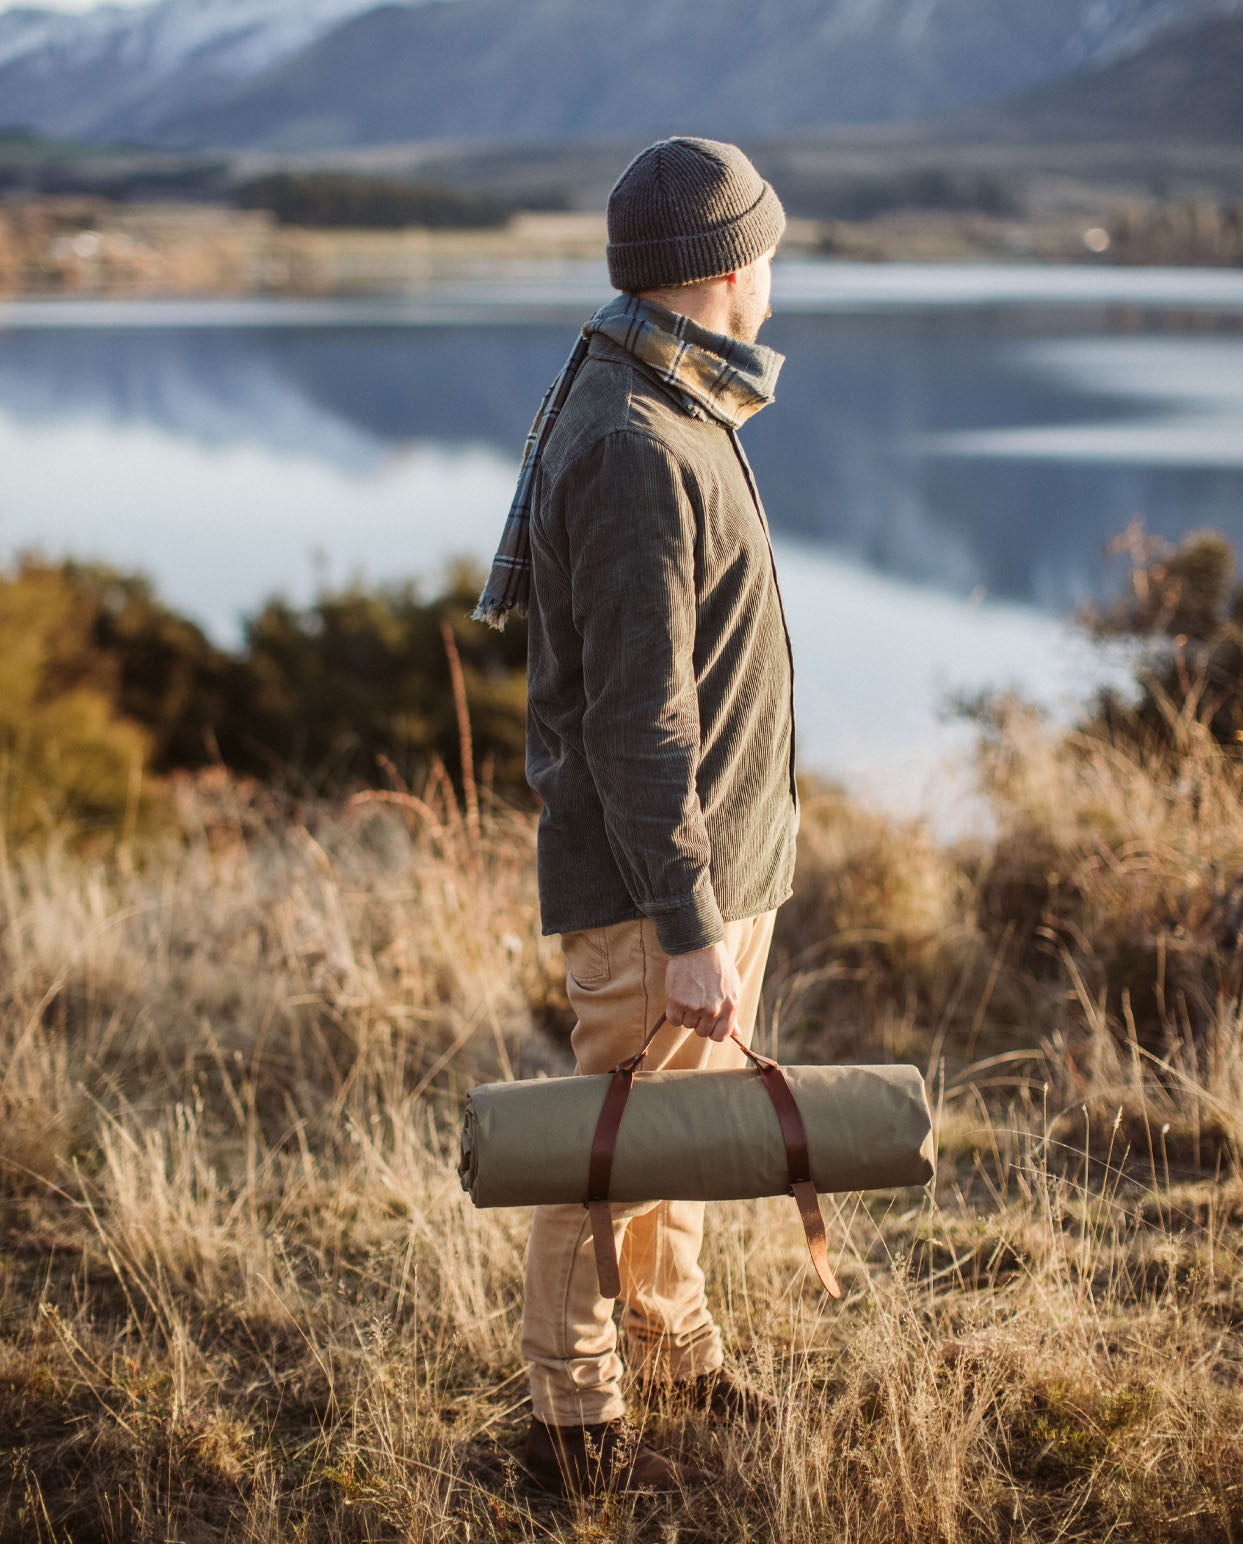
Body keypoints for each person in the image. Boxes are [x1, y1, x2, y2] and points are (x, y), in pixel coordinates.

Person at [474, 135, 799, 1496]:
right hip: (657, 891)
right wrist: (685, 921)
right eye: (771, 253)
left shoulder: (672, 403)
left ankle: (673, 1359)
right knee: (605, 1157)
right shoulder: (631, 444)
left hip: (714, 880)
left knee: (669, 1142)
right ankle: (573, 1427)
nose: (778, 277)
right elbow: (635, 724)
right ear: (726, 271)